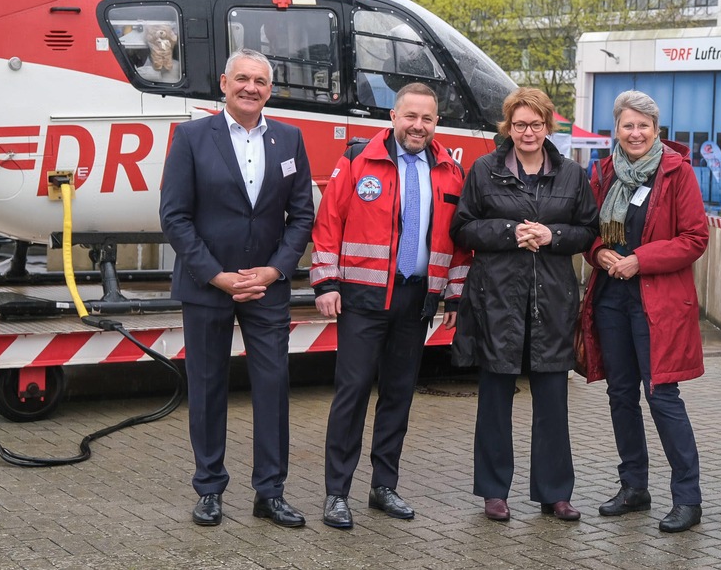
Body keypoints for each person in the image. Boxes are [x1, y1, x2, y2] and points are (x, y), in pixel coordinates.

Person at [159, 48, 314, 528]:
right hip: (208, 286)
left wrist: (273, 271)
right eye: (242, 79)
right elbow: (175, 216)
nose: (251, 88)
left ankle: (269, 492)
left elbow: (302, 214)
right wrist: (217, 276)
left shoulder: (289, 139)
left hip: (266, 287)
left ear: (270, 90)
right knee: (206, 389)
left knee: (273, 387)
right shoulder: (190, 138)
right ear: (224, 82)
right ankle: (209, 489)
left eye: (261, 82)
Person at [309, 82, 471, 527]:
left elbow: (458, 246)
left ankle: (384, 486)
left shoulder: (450, 172)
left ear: (436, 123)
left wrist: (453, 293)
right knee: (352, 393)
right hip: (362, 298)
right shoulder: (358, 160)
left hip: (417, 300)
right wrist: (326, 284)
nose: (418, 125)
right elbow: (328, 223)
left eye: (428, 118)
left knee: (398, 395)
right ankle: (336, 493)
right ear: (394, 117)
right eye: (410, 116)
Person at [451, 87, 598, 523]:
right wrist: (509, 231)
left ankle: (555, 493)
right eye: (519, 125)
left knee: (552, 402)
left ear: (548, 126)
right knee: (495, 400)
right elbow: (463, 228)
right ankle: (494, 491)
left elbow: (588, 230)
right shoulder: (484, 170)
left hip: (552, 302)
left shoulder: (572, 174)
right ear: (508, 127)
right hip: (498, 301)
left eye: (535, 124)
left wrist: (554, 237)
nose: (527, 132)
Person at [576, 91, 709, 533]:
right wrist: (600, 254)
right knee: (620, 396)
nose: (635, 133)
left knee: (662, 397)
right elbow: (589, 230)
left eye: (643, 126)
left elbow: (695, 238)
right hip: (612, 298)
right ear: (617, 129)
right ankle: (634, 487)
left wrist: (641, 259)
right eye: (627, 125)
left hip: (658, 303)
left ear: (657, 130)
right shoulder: (605, 171)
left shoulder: (677, 172)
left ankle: (688, 499)